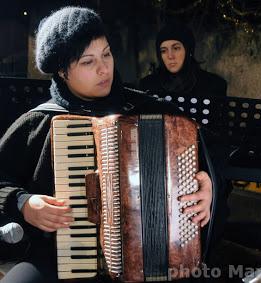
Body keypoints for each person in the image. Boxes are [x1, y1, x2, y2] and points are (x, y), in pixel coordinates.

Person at [0, 7, 212, 283]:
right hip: (59, 257)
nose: (104, 68)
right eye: (88, 62)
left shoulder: (154, 113)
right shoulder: (40, 122)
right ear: (62, 71)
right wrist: (24, 203)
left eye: (107, 54)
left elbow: (210, 161)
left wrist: (207, 187)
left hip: (154, 257)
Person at [139, 22, 230, 263]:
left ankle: (199, 257)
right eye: (163, 50)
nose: (170, 56)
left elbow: (221, 136)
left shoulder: (213, 85)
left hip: (202, 157)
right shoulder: (149, 85)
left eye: (176, 48)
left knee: (214, 203)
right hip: (162, 160)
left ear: (188, 50)